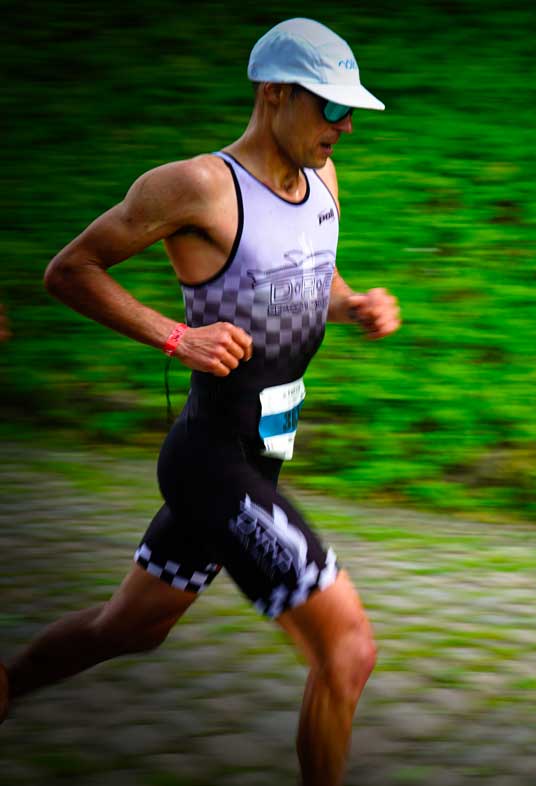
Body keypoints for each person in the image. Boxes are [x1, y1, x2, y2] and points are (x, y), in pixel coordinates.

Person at [0, 18, 400, 786]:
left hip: (262, 455)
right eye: (329, 107)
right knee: (347, 650)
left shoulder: (321, 178)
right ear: (274, 93)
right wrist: (175, 338)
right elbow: (70, 271)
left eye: (350, 111)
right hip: (213, 460)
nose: (344, 126)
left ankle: (6, 684)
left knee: (131, 627)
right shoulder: (198, 188)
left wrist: (352, 305)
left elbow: (313, 274)